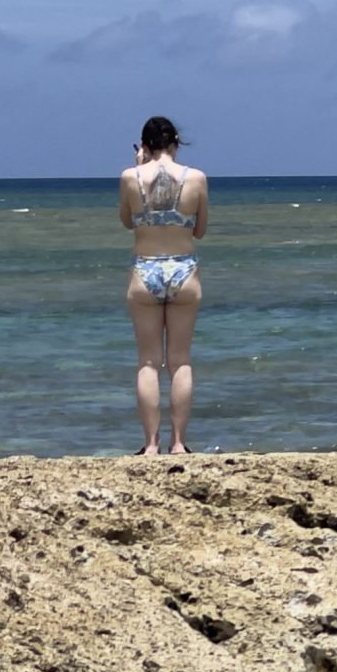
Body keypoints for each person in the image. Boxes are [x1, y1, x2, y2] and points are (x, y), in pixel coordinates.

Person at [119, 116, 208, 456]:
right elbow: (199, 230)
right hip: (184, 270)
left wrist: (138, 166)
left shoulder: (130, 177)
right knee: (180, 361)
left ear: (144, 145)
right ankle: (179, 444)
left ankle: (151, 444)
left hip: (145, 270)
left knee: (147, 362)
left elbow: (128, 221)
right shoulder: (196, 178)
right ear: (174, 143)